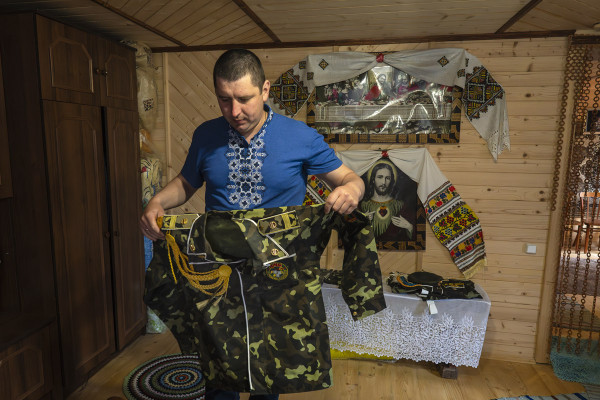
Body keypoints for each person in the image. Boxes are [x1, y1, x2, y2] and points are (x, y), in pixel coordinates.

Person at [139, 49, 365, 400]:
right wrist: (157, 202)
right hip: (218, 274)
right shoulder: (206, 135)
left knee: (268, 369)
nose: (234, 111)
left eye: (244, 99)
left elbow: (351, 179)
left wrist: (351, 190)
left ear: (265, 90)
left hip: (278, 275)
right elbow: (186, 182)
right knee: (218, 366)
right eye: (224, 100)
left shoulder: (301, 137)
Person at [359, 159, 415, 242]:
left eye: (387, 178)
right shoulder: (363, 205)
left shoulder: (400, 206)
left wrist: (409, 226)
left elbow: (415, 239)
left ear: (391, 181)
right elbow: (351, 236)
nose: (383, 182)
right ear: (373, 179)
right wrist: (361, 222)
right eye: (380, 177)